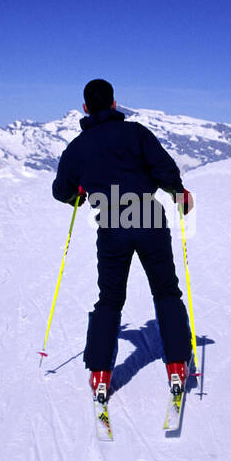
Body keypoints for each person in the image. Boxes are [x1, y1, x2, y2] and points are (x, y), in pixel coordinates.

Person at [52, 78, 194, 403]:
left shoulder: (77, 147)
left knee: (111, 299)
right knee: (166, 291)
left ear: (85, 108)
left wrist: (79, 195)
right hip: (148, 216)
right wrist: (179, 193)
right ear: (115, 104)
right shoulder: (137, 133)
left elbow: (61, 189)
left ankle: (101, 374)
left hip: (112, 222)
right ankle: (176, 365)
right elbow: (164, 169)